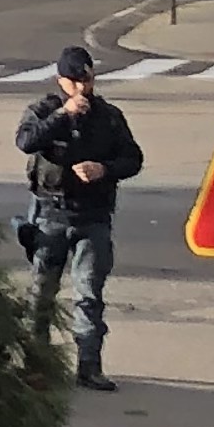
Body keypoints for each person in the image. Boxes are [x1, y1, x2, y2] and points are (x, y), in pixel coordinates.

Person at [17, 43, 144, 392]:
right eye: (75, 81)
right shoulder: (44, 111)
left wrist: (104, 169)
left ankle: (89, 366)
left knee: (89, 293)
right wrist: (63, 114)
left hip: (93, 216)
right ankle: (36, 365)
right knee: (42, 294)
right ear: (61, 81)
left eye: (87, 80)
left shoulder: (108, 117)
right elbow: (26, 141)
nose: (82, 88)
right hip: (51, 214)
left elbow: (133, 158)